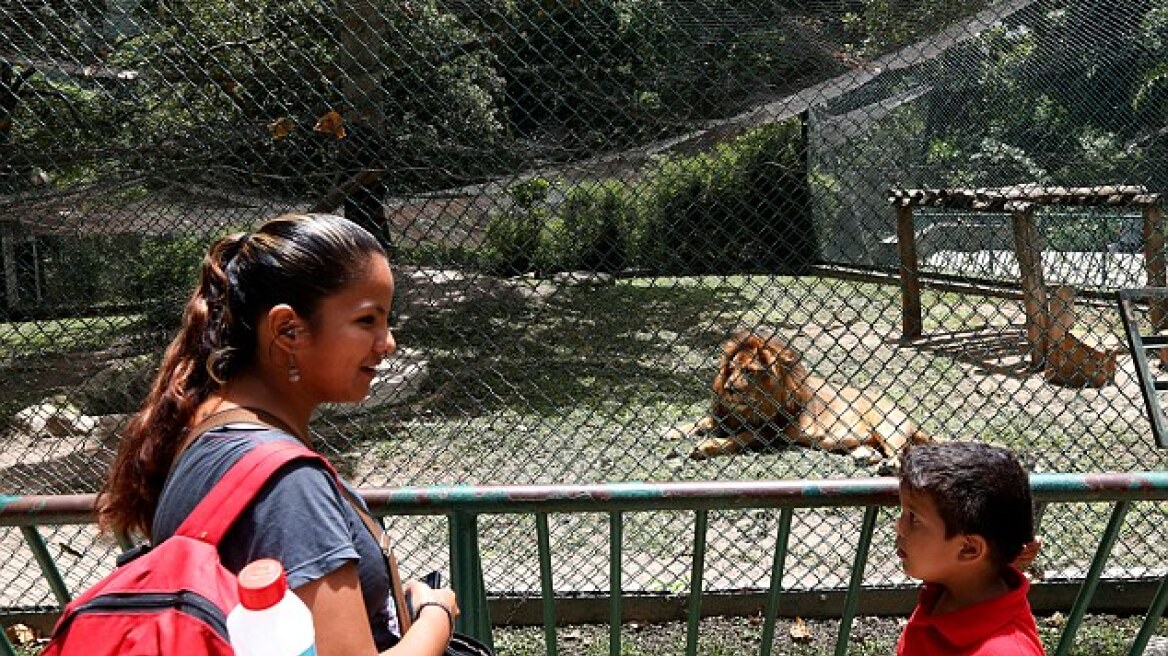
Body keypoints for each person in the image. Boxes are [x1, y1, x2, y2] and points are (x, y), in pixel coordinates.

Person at [98, 213, 458, 656]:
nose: (388, 343)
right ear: (288, 329)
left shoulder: (205, 428)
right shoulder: (289, 487)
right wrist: (435, 616)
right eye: (367, 321)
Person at [895, 441, 1045, 656]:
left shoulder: (1003, 651)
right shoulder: (949, 589)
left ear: (969, 550)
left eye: (914, 518)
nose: (899, 527)